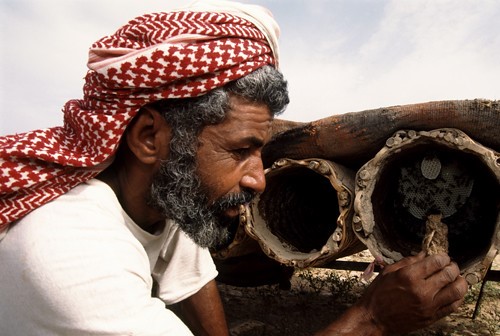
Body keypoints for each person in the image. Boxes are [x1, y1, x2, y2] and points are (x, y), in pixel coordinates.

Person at [0, 1, 468, 335]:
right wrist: (373, 319)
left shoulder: (166, 199)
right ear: (149, 138)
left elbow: (194, 277)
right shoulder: (68, 256)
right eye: (240, 149)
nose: (258, 179)